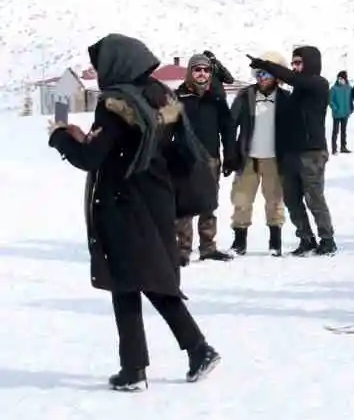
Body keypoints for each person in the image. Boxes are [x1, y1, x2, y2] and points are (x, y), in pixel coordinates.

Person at [48, 33, 221, 390]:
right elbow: (138, 147)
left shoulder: (116, 104)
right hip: (157, 199)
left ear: (116, 63)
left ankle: (194, 349)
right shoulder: (159, 95)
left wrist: (63, 135)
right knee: (135, 279)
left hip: (123, 204)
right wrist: (92, 140)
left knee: (139, 280)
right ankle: (136, 367)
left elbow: (92, 158)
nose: (98, 72)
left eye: (100, 65)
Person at [248, 47, 336, 255]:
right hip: (291, 154)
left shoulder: (318, 84)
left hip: (312, 152)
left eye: (299, 62)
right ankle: (306, 238)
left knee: (314, 197)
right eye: (293, 63)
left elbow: (293, 79)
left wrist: (266, 65)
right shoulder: (296, 93)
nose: (295, 67)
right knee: (291, 198)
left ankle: (327, 239)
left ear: (311, 63)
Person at [225, 52, 288, 255]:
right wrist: (230, 153)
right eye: (259, 74)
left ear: (276, 77)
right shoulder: (245, 95)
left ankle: (275, 243)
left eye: (267, 74)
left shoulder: (286, 98)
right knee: (241, 200)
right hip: (248, 157)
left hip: (274, 158)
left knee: (275, 200)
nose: (263, 78)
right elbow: (230, 125)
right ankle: (239, 242)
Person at [174, 54, 234, 263]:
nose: (202, 73)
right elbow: (165, 128)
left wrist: (230, 155)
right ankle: (182, 249)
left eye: (206, 70)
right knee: (184, 205)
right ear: (190, 72)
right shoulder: (177, 97)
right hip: (184, 159)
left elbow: (227, 129)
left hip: (210, 158)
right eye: (197, 69)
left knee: (209, 203)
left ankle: (208, 247)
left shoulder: (216, 98)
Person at [329, 71, 354, 154]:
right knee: (335, 131)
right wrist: (335, 108)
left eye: (342, 79)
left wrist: (351, 108)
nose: (340, 80)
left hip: (345, 113)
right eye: (339, 79)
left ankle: (343, 147)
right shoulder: (333, 89)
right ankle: (334, 148)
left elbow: (351, 99)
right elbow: (330, 100)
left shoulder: (349, 88)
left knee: (344, 131)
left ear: (345, 79)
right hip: (337, 114)